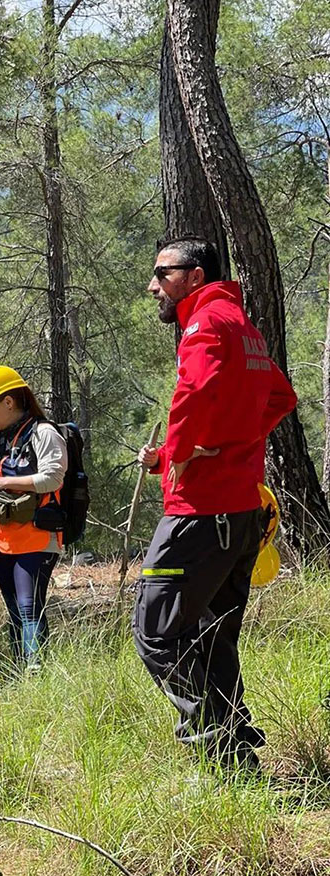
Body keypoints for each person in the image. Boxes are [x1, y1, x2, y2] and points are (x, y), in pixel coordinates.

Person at [133, 236, 297, 768]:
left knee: (156, 631)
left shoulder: (205, 324)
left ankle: (213, 740)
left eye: (163, 273)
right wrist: (212, 449)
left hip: (200, 514)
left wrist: (179, 452)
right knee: (213, 636)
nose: (153, 285)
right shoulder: (242, 327)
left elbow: (196, 391)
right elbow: (280, 397)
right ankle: (236, 764)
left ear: (195, 276)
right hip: (241, 512)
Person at [0, 366, 67, 671]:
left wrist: (2, 483)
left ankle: (36, 673)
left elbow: (53, 478)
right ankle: (19, 672)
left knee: (29, 608)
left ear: (9, 402)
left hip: (37, 535)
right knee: (14, 610)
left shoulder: (44, 433)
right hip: (1, 537)